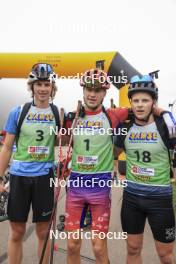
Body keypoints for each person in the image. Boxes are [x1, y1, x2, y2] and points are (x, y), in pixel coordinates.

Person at [64, 69, 174, 264]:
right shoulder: (72, 117)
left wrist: (165, 113)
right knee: (72, 245)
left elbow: (142, 107)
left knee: (99, 247)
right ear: (83, 89)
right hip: (77, 187)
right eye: (89, 88)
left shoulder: (115, 115)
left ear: (105, 93)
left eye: (98, 89)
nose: (92, 93)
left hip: (104, 188)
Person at [0, 63, 60, 264]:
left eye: (47, 84)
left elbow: (66, 142)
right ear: (32, 86)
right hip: (19, 177)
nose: (43, 88)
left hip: (44, 177)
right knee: (17, 232)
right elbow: (7, 147)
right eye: (39, 84)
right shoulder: (18, 112)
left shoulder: (57, 114)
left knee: (44, 232)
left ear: (52, 87)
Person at [114, 74, 176, 264]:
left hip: (160, 200)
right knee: (133, 250)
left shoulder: (165, 126)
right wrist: (119, 173)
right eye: (136, 100)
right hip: (132, 199)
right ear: (130, 102)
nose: (140, 105)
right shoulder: (124, 128)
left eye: (145, 100)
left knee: (165, 255)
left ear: (153, 103)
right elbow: (114, 154)